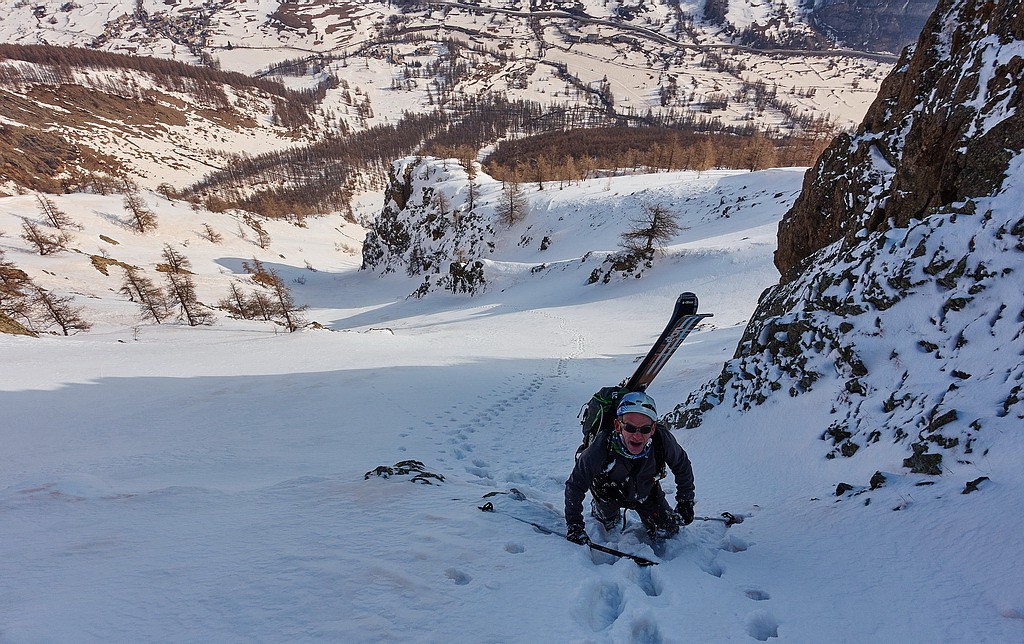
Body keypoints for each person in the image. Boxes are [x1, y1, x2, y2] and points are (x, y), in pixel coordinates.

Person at [564, 391, 695, 545]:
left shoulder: (661, 441)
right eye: (630, 428)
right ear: (618, 426)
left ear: (653, 429)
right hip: (607, 493)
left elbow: (682, 466)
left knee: (667, 530)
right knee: (608, 522)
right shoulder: (601, 447)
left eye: (645, 429)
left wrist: (685, 502)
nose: (637, 436)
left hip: (646, 493)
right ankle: (602, 510)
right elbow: (575, 485)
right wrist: (575, 526)